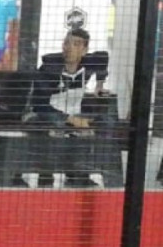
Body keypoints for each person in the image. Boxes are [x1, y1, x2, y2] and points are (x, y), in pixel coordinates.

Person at [23, 27, 119, 186]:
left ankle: (97, 174)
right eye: (67, 43)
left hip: (74, 114)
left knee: (106, 122)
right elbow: (39, 105)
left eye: (76, 44)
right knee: (56, 124)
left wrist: (99, 84)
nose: (69, 48)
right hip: (45, 114)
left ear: (84, 50)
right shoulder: (49, 68)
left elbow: (103, 57)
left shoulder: (88, 64)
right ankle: (47, 175)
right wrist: (70, 119)